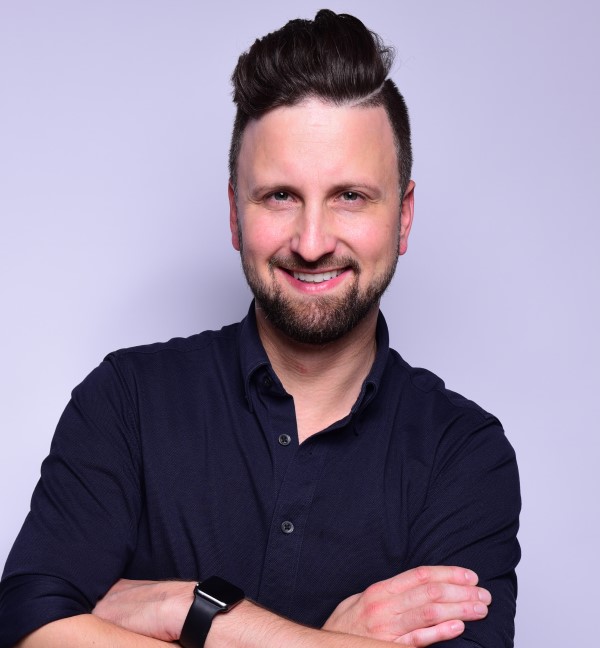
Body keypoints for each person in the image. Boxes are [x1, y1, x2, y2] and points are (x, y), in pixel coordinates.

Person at [0, 9, 520, 648]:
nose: (311, 242)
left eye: (350, 196)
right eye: (280, 196)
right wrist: (332, 641)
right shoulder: (126, 399)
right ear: (234, 213)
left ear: (404, 216)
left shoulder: (463, 455)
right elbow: (28, 626)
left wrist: (191, 610)